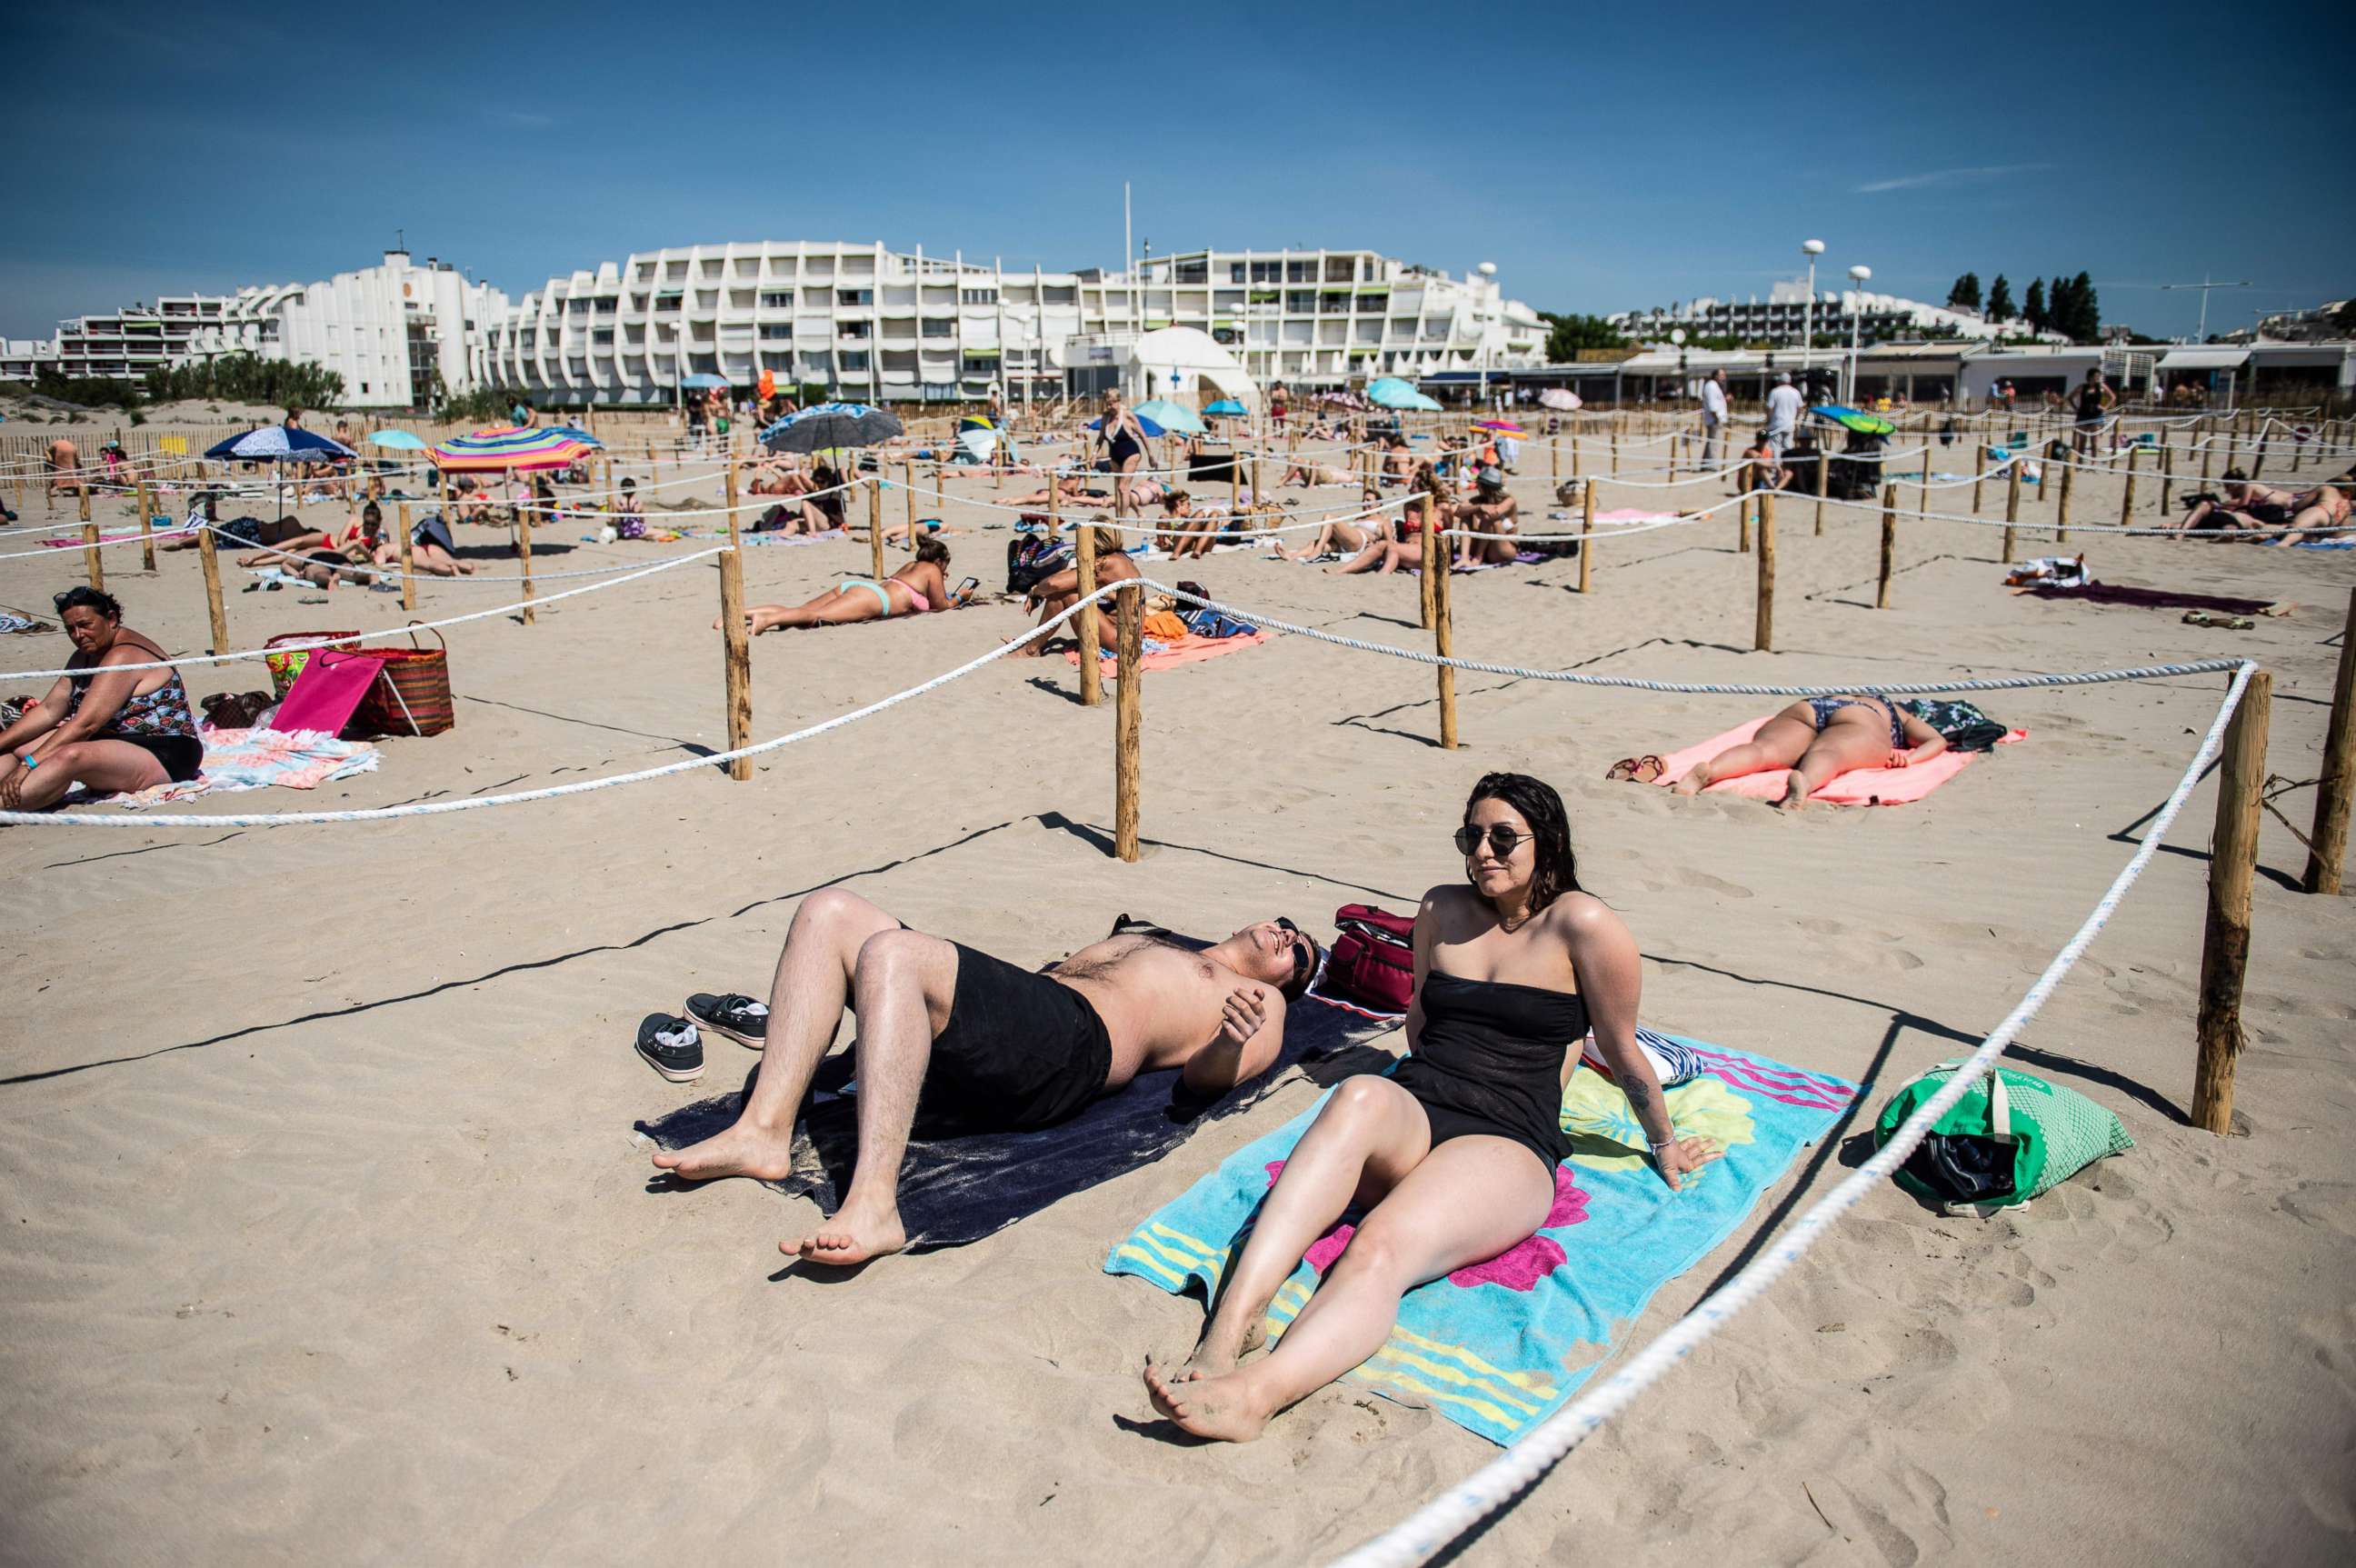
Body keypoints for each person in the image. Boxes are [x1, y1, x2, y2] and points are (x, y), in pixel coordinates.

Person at [1141, 773, 1718, 1442]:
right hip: (1421, 1103)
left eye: (1504, 836)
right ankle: (1230, 1325)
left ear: (1549, 842)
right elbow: (1419, 1020)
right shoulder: (1441, 909)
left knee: (1380, 1243)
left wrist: (1665, 1141)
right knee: (1357, 1092)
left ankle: (1255, 1396)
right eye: (1471, 836)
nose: (1484, 851)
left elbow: (1620, 1050)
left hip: (1507, 1138)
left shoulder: (1584, 924)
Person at [649, 890, 1316, 1265]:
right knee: (828, 914)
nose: (1285, 935)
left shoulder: (1261, 1004)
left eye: (1299, 951)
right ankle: (763, 1130)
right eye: (1285, 923)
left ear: (1292, 981)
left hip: (1074, 1048)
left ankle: (875, 1203)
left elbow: (1204, 1084)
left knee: (893, 954)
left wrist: (1229, 1044)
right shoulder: (1161, 939)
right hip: (1029, 1019)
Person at [0, 587, 205, 809]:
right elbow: (50, 709)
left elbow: (86, 724)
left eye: (86, 625)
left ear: (111, 619)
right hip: (112, 741)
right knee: (18, 746)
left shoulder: (124, 655)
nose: (78, 635)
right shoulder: (85, 655)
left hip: (164, 750)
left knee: (70, 755)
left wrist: (28, 766)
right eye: (71, 629)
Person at [1672, 692, 1946, 810]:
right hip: (1863, 716)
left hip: (1811, 706)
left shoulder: (1864, 695)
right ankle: (1805, 781)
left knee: (1764, 749)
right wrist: (1910, 757)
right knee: (1831, 752)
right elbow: (1936, 741)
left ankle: (1709, 772)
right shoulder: (1898, 713)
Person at [729, 536, 960, 634]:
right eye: (945, 566)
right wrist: (960, 597)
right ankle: (766, 620)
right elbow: (940, 606)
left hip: (863, 588)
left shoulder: (913, 565)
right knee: (814, 616)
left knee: (802, 610)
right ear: (939, 561)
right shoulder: (931, 569)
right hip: (875, 599)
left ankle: (740, 614)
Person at [1010, 524, 1138, 656]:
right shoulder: (1120, 557)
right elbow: (1064, 576)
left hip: (1122, 641)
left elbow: (1054, 584)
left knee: (1063, 594)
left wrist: (1034, 592)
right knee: (1065, 589)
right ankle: (1033, 644)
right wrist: (1039, 592)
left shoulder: (1107, 563)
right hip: (1123, 635)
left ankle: (1031, 649)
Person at [1276, 488, 1386, 561]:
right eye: (1363, 500)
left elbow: (1389, 540)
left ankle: (1317, 551)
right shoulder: (1360, 517)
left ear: (1378, 504)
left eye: (1368, 500)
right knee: (1314, 543)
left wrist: (1375, 544)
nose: (1365, 503)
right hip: (1345, 543)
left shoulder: (1382, 519)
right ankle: (1291, 556)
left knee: (1329, 518)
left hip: (1360, 541)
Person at [1451, 467, 1521, 567]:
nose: (1476, 486)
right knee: (1466, 517)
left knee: (1491, 519)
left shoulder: (1509, 500)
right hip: (1484, 547)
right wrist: (1480, 507)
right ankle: (1464, 558)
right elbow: (1459, 512)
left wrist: (1480, 509)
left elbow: (1494, 513)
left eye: (1478, 484)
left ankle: (1478, 557)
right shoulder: (1479, 500)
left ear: (1485, 486)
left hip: (1501, 549)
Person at [1097, 390, 1155, 495]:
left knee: (1122, 487)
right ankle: (1138, 512)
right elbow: (1100, 438)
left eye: (1111, 404)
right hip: (1115, 455)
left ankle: (1123, 513)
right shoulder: (1106, 417)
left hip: (1130, 453)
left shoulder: (1128, 415)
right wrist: (1093, 454)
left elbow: (1143, 435)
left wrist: (1150, 455)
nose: (1109, 407)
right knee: (1120, 489)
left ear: (1118, 401)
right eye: (1107, 404)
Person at [2070, 369, 2114, 457]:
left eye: (2098, 377)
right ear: (2090, 377)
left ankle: (2093, 462)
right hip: (2083, 415)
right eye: (2095, 376)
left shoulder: (2102, 387)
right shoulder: (2082, 387)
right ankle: (2080, 461)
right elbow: (2070, 397)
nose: (2097, 379)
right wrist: (2075, 408)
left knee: (2094, 442)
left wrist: (2105, 407)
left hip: (2096, 416)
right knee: (2082, 441)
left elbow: (2112, 397)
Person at [1764, 371, 1803, 458]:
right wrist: (1795, 419)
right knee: (1787, 448)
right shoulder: (1796, 392)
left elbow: (1769, 407)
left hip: (1776, 424)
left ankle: (1775, 469)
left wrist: (1768, 420)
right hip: (1789, 425)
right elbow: (1799, 408)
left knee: (1775, 448)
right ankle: (1786, 467)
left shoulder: (1775, 391)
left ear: (1780, 381)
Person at [1700, 369, 1729, 466]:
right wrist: (1716, 418)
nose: (1724, 377)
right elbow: (1712, 405)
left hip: (1715, 418)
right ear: (1716, 376)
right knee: (1714, 443)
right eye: (1722, 375)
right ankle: (1710, 464)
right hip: (1714, 419)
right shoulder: (1711, 386)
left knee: (1711, 442)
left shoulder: (1714, 386)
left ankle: (1705, 463)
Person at [45, 436, 81, 506]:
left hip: (62, 454)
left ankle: (61, 492)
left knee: (60, 472)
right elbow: (77, 458)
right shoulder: (69, 445)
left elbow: (47, 451)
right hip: (71, 451)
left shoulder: (55, 444)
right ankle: (75, 490)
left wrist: (50, 459)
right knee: (71, 471)